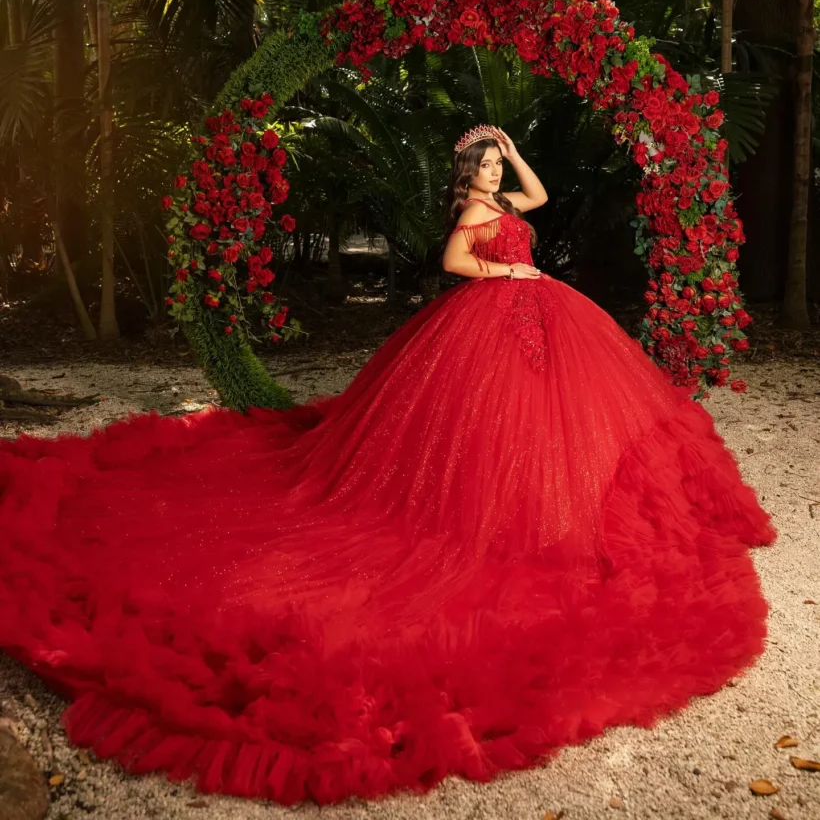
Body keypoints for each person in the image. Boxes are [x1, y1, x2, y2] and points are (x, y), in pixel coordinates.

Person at [0, 124, 776, 807]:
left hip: (547, 322)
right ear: (465, 178)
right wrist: (511, 273)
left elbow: (538, 197)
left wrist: (512, 152)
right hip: (491, 323)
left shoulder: (508, 203)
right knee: (480, 434)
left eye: (497, 171)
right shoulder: (474, 216)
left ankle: (554, 506)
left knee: (554, 431)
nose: (498, 181)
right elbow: (453, 264)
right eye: (486, 169)